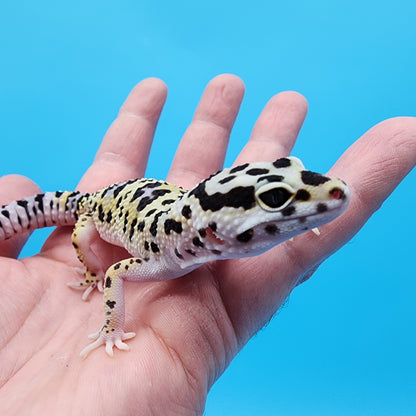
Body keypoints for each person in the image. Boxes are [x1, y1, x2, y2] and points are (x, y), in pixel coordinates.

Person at [0, 75, 414, 415]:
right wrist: (110, 322)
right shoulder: (161, 261)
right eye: (275, 201)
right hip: (93, 207)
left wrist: (298, 221)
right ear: (213, 234)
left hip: (150, 197)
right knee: (85, 236)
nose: (324, 192)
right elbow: (114, 273)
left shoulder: (202, 239)